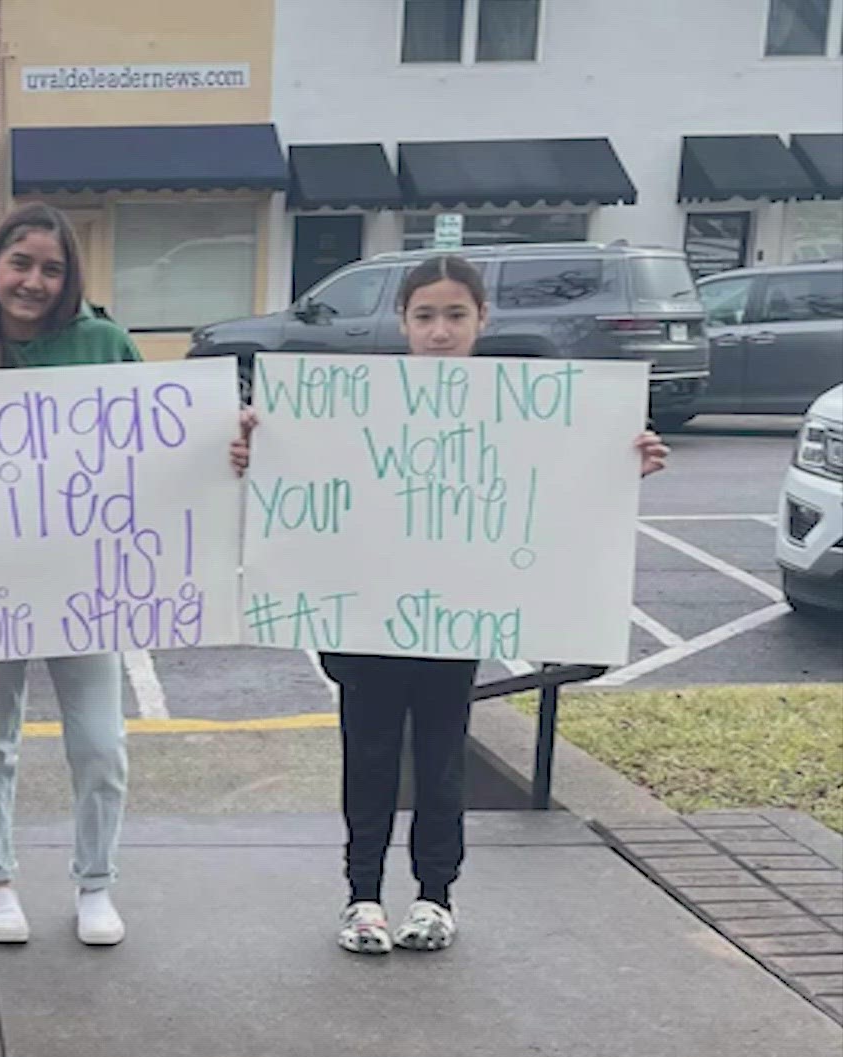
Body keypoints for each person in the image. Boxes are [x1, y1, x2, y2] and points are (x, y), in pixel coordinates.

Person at [229, 254, 668, 955]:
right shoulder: (347, 401)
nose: (439, 332)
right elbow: (301, 488)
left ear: (482, 320)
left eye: (455, 315)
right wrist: (263, 450)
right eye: (426, 316)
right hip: (363, 617)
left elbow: (561, 487)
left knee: (440, 762)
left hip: (449, 621)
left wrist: (623, 461)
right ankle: (362, 895)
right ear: (402, 321)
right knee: (367, 759)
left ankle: (435, 895)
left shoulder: (522, 410)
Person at [0, 203, 141, 947]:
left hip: (86, 586)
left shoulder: (104, 345)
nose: (34, 281)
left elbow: (162, 444)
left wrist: (230, 442)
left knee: (101, 745)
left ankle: (97, 883)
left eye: (51, 268)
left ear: (70, 277)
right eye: (20, 263)